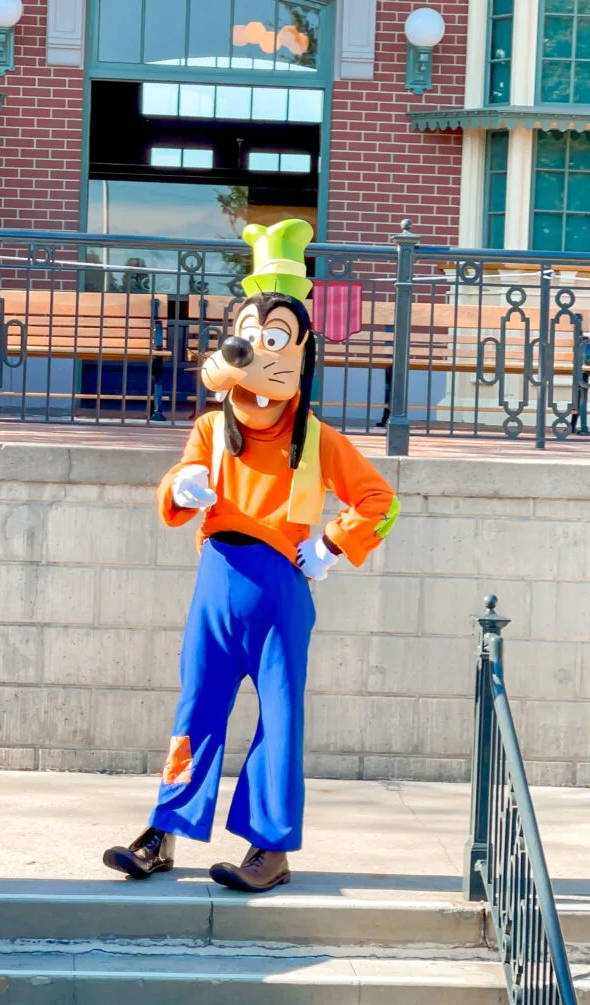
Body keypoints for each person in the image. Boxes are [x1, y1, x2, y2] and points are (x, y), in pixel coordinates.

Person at [103, 219, 400, 893]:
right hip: (216, 580)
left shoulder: (317, 437)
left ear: (300, 353)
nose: (253, 349)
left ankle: (269, 847)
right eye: (249, 333)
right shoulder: (212, 427)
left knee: (280, 716)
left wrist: (332, 543)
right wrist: (180, 485)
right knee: (195, 710)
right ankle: (162, 830)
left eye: (273, 339)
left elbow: (381, 500)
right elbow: (173, 493)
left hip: (278, 587)